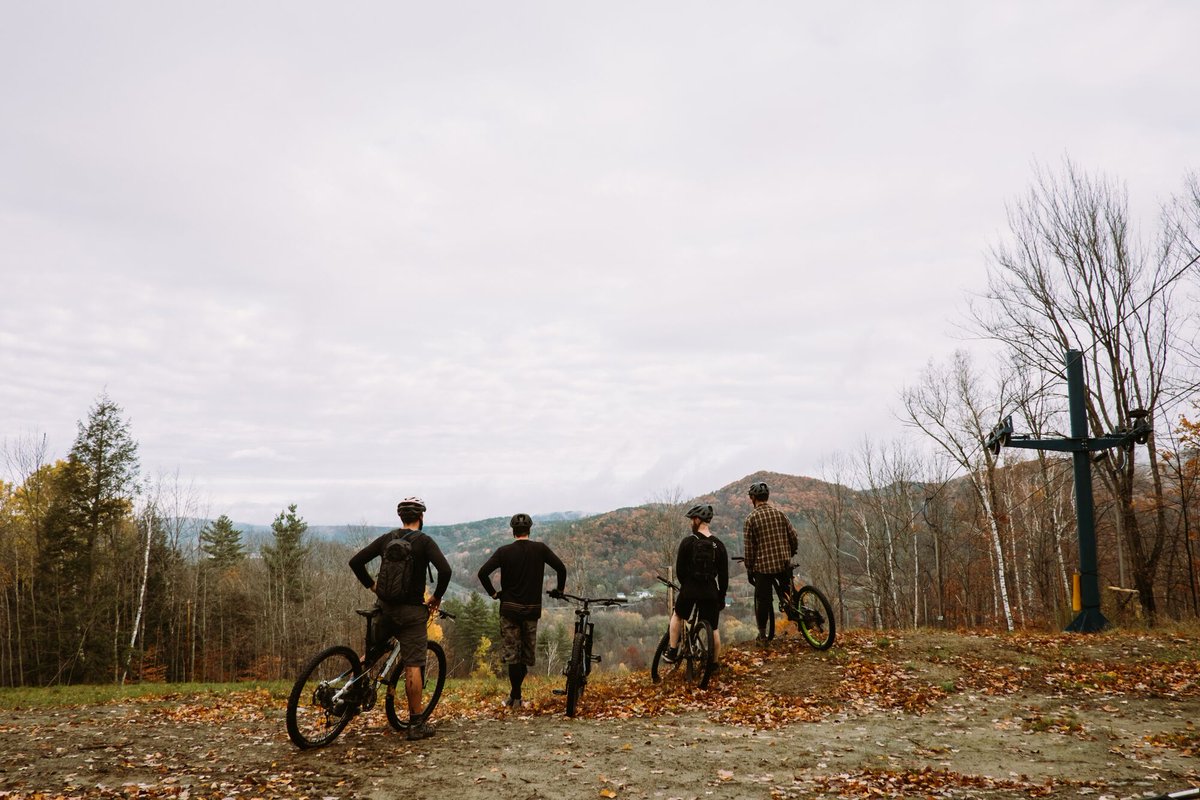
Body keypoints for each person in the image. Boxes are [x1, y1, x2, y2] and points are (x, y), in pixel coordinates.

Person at [349, 496, 451, 741]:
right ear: (421, 517)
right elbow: (445, 571)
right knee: (413, 664)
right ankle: (416, 723)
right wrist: (435, 598)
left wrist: (373, 586)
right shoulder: (424, 541)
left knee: (371, 653)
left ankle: (348, 695)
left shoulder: (388, 539)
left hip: (383, 607)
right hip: (412, 613)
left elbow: (356, 562)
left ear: (401, 517)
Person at [477, 512, 567, 709]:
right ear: (529, 529)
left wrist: (493, 594)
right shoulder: (540, 549)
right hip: (532, 610)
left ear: (513, 532)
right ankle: (516, 695)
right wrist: (559, 591)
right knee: (525, 655)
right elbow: (561, 568)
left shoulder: (503, 551)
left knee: (513, 656)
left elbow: (482, 573)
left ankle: (515, 696)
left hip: (509, 609)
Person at [664, 504, 728, 666]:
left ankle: (672, 651)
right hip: (710, 591)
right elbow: (724, 576)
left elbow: (680, 570)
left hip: (690, 589)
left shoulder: (688, 542)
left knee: (678, 616)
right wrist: (721, 596)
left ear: (698, 520)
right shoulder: (718, 545)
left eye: (692, 520)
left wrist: (686, 586)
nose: (691, 523)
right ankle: (713, 664)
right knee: (713, 628)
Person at [742, 481, 798, 647]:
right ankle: (800, 617)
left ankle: (763, 636)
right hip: (783, 563)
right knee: (789, 593)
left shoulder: (751, 519)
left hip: (764, 568)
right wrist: (790, 553)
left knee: (763, 601)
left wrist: (749, 568)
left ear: (753, 498)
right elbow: (793, 537)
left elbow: (750, 549)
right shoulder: (780, 514)